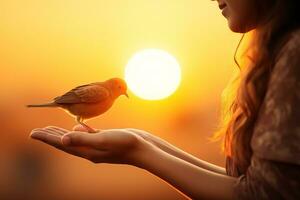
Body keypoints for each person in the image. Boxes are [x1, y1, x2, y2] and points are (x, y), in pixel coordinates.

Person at [30, 0, 300, 199]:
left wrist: (137, 151)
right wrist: (147, 142)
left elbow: (261, 194)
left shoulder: (294, 53)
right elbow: (245, 183)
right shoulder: (281, 51)